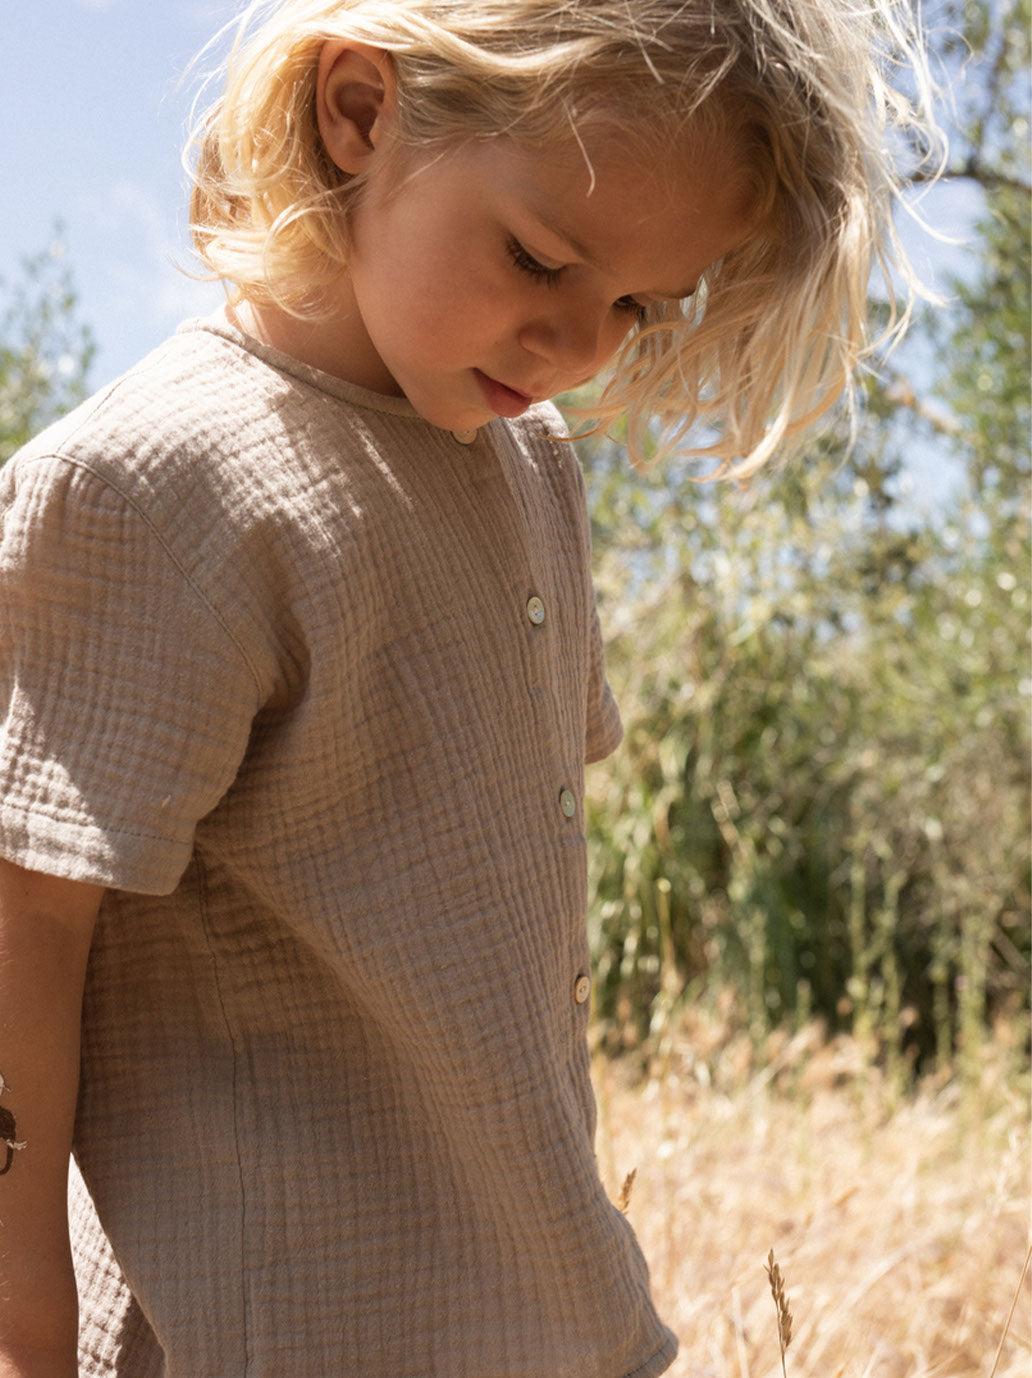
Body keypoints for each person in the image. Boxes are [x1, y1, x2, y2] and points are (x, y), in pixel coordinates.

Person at [0, 2, 938, 1374]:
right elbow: (25, 915)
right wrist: (21, 1326)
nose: (575, 339)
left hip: (535, 1305)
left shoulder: (530, 469)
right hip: (269, 1322)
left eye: (634, 303)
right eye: (539, 257)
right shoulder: (161, 480)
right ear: (363, 114)